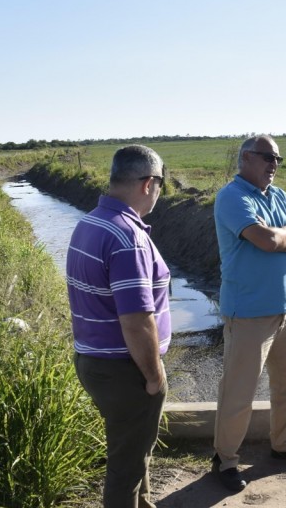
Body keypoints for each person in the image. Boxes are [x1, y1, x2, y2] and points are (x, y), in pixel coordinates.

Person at [211, 134, 286, 492]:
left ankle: (283, 443)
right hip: (248, 312)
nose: (274, 165)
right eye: (267, 157)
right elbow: (265, 241)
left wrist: (283, 233)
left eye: (278, 159)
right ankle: (225, 459)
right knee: (239, 392)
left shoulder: (277, 196)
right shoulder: (232, 197)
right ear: (246, 158)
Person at [66, 145, 171, 508]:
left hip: (94, 359)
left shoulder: (90, 222)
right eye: (161, 183)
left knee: (132, 451)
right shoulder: (128, 239)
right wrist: (154, 376)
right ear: (147, 183)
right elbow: (137, 322)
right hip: (124, 368)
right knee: (125, 467)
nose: (161, 191)